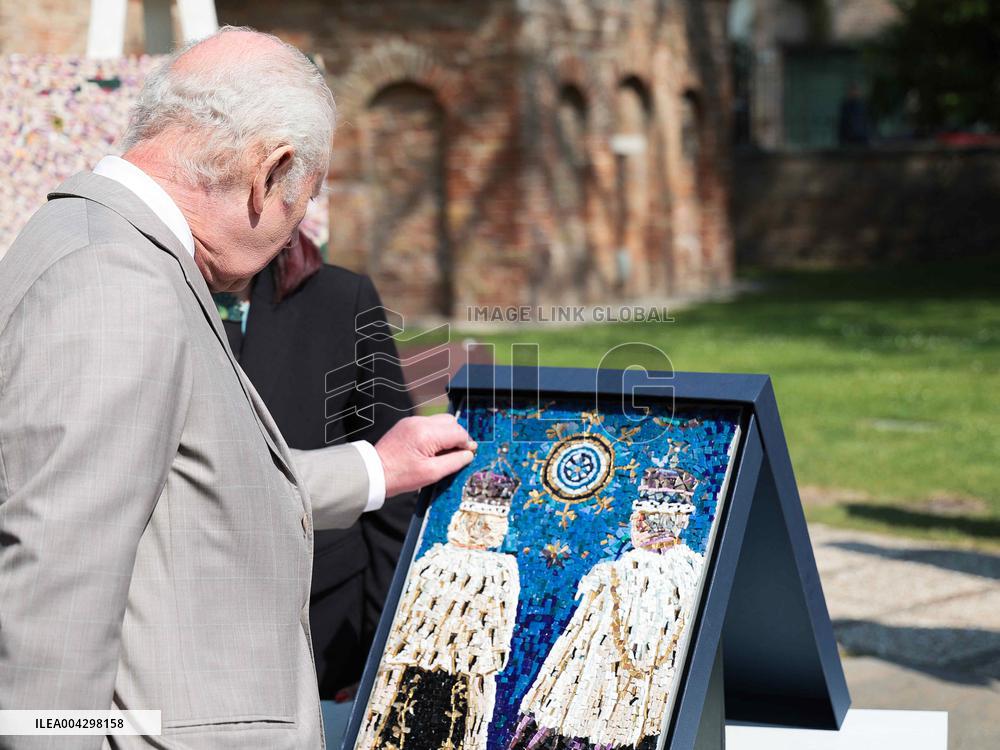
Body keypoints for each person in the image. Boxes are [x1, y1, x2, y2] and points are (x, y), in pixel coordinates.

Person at [0, 27, 475, 750]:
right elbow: (51, 613)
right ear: (269, 171)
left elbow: (181, 487)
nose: (292, 236)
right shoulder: (118, 283)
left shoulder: (91, 239)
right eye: (301, 201)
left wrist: (376, 468)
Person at [212, 230, 418, 698]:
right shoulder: (146, 292)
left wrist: (381, 648)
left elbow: (395, 482)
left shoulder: (341, 299)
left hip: (321, 629)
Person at [508, 465, 704, 750]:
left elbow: (576, 651)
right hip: (658, 720)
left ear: (640, 522)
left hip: (591, 715)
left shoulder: (611, 577)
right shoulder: (698, 573)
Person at [358, 457, 521, 750]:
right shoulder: (500, 570)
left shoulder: (432, 560)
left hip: (419, 674)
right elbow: (497, 637)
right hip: (458, 678)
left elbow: (404, 627)